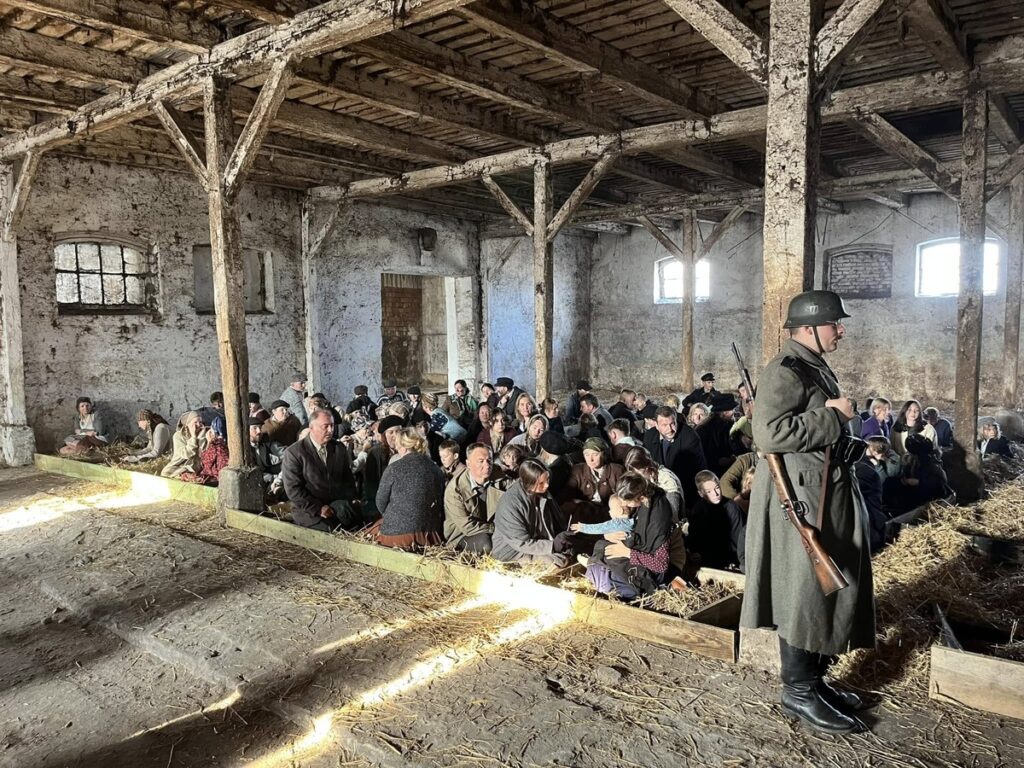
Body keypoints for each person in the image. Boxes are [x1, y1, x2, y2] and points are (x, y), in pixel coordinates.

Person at [740, 290, 873, 735]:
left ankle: (813, 682)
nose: (841, 330)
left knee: (820, 593)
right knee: (801, 594)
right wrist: (834, 417)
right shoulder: (785, 369)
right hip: (797, 502)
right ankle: (797, 691)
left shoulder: (811, 365)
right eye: (835, 323)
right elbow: (769, 432)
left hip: (819, 494)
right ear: (811, 329)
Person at [583, 473, 674, 600]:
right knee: (601, 547)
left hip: (647, 568)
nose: (623, 505)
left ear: (641, 498)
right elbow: (628, 528)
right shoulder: (641, 507)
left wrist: (628, 553)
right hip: (632, 551)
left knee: (610, 578)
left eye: (626, 502)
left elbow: (661, 565)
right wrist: (610, 535)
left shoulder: (658, 521)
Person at [280, 409, 359, 531]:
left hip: (336, 506)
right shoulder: (294, 453)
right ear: (311, 428)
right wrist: (318, 508)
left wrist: (348, 500)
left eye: (332, 426)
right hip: (309, 511)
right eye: (325, 426)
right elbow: (293, 489)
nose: (330, 430)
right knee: (329, 532)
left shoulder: (339, 448)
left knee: (360, 524)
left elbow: (347, 479)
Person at [491, 459, 574, 566]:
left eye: (547, 480)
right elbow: (521, 543)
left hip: (537, 541)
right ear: (529, 483)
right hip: (513, 551)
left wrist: (563, 536)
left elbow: (556, 519)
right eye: (541, 483)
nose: (547, 485)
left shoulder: (541, 491)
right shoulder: (511, 504)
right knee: (557, 562)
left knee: (570, 554)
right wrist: (552, 546)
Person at [373, 428, 446, 550]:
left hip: (396, 536)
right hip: (429, 535)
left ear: (405, 446)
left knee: (371, 531)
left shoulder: (394, 468)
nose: (397, 449)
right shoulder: (436, 469)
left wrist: (395, 517)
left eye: (398, 446)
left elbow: (380, 502)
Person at [444, 443, 507, 554]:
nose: (487, 465)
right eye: (481, 461)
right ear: (468, 464)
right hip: (463, 536)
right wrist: (497, 529)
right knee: (487, 544)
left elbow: (514, 490)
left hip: (492, 528)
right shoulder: (455, 490)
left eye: (489, 460)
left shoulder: (496, 473)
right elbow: (468, 527)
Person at [642, 405, 707, 510]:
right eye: (665, 425)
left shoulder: (690, 437)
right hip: (657, 490)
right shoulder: (649, 436)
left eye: (673, 424)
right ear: (657, 426)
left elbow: (696, 470)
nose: (670, 429)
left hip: (684, 489)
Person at [686, 471, 746, 571]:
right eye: (709, 492)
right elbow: (694, 537)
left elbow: (738, 541)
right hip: (705, 562)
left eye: (717, 488)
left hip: (729, 562)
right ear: (701, 494)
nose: (716, 493)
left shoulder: (732, 508)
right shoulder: (698, 509)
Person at [558, 437, 624, 525]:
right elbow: (566, 493)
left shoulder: (617, 470)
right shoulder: (578, 470)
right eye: (587, 454)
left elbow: (624, 497)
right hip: (586, 512)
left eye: (595, 454)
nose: (590, 459)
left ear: (604, 454)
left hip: (610, 513)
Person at [883, 433, 949, 514]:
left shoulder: (929, 463)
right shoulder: (913, 460)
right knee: (889, 482)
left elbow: (939, 483)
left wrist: (918, 482)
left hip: (928, 497)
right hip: (915, 489)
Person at [362, 415, 404, 520]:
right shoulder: (376, 453)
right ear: (384, 435)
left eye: (398, 431)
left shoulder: (409, 452)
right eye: (391, 432)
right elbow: (371, 485)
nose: (395, 436)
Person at [161, 411, 210, 478]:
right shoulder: (178, 436)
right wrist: (193, 437)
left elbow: (202, 454)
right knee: (166, 472)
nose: (198, 425)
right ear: (188, 424)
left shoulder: (203, 435)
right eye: (195, 422)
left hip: (196, 466)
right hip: (180, 465)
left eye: (200, 422)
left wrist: (201, 438)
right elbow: (185, 454)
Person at [690, 403, 735, 471]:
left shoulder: (725, 425)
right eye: (695, 414)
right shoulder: (702, 430)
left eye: (701, 415)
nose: (697, 417)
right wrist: (718, 460)